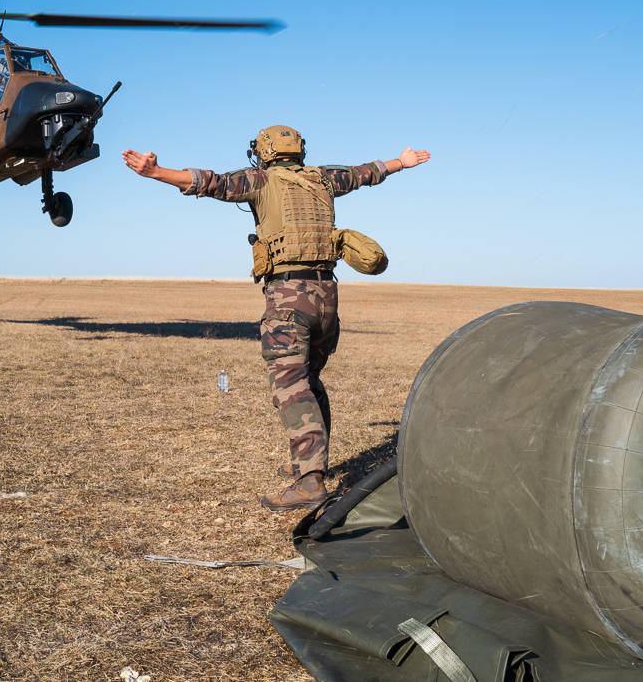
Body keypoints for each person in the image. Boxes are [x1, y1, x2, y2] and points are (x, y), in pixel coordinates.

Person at [122, 126, 431, 512]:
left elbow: (210, 183)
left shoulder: (260, 180)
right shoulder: (323, 179)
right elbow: (363, 172)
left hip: (288, 297)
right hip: (327, 297)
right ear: (299, 150)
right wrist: (401, 162)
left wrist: (156, 172)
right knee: (310, 380)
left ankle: (310, 481)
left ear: (265, 152)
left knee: (290, 385)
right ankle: (310, 463)